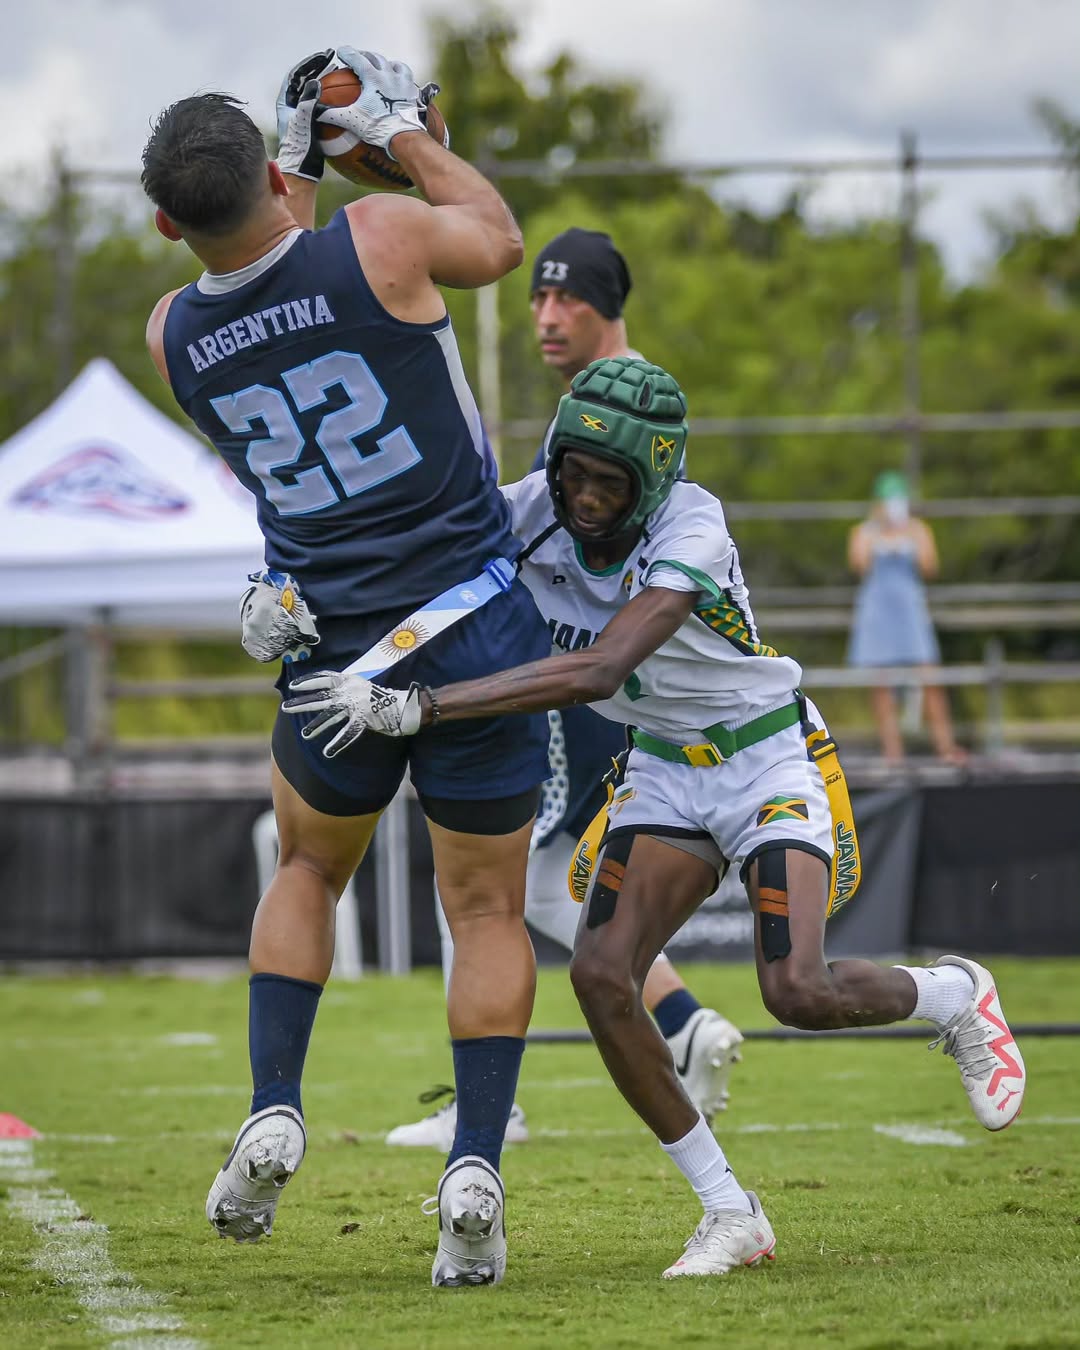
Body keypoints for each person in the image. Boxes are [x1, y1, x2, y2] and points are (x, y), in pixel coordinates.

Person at [284, 356, 1027, 1279]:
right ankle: (729, 1209)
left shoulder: (694, 523)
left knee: (795, 990)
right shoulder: (529, 507)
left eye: (610, 482)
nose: (585, 498)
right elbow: (406, 558)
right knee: (600, 976)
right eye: (573, 473)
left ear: (656, 480)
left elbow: (600, 669)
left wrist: (430, 708)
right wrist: (288, 598)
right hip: (665, 770)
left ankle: (955, 995)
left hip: (763, 755)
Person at [142, 48, 556, 1287]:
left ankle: (276, 1103)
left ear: (167, 223)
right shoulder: (382, 236)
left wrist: (295, 170)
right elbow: (492, 234)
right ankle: (475, 1160)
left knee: (312, 871)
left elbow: (278, 287)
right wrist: (400, 133)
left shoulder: (171, 333)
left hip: (328, 650)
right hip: (470, 631)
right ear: (275, 171)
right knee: (481, 909)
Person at [387, 227, 743, 1150]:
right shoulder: (596, 402)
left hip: (582, 685)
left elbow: (596, 580)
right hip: (601, 688)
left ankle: (488, 1109)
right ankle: (686, 1022)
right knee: (538, 883)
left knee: (473, 883)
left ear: (607, 305)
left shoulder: (621, 407)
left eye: (566, 299)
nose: (546, 315)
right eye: (539, 298)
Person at [847, 471, 967, 764]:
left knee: (930, 678)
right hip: (878, 612)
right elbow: (859, 565)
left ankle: (945, 746)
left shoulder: (918, 530)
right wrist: (879, 531)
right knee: (882, 685)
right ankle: (893, 753)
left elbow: (929, 567)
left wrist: (906, 534)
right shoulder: (863, 531)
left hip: (910, 611)